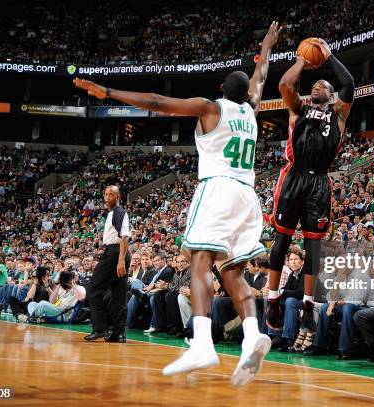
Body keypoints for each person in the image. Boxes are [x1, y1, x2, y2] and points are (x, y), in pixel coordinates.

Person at [74, 21, 283, 386]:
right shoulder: (251, 109)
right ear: (246, 92)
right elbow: (261, 74)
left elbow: (157, 103)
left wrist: (108, 91)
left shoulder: (210, 107)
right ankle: (252, 335)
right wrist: (266, 47)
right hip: (248, 195)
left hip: (217, 189)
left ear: (221, 91)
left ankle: (202, 342)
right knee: (233, 271)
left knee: (200, 260)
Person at [266, 38, 355, 334]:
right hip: (294, 176)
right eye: (314, 85)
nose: (317, 87)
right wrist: (303, 60)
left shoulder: (338, 114)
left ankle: (307, 303)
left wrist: (328, 56)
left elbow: (349, 84)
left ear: (331, 97)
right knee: (281, 240)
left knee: (313, 246)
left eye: (323, 86)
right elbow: (284, 86)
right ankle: (273, 298)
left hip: (319, 180)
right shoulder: (298, 108)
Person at [83, 185, 131, 342]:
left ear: (117, 197)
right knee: (118, 294)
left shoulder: (119, 212)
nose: (107, 197)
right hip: (115, 253)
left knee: (93, 289)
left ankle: (99, 328)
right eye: (105, 194)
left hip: (116, 254)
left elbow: (124, 237)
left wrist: (121, 260)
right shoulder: (111, 213)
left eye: (111, 194)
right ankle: (119, 333)